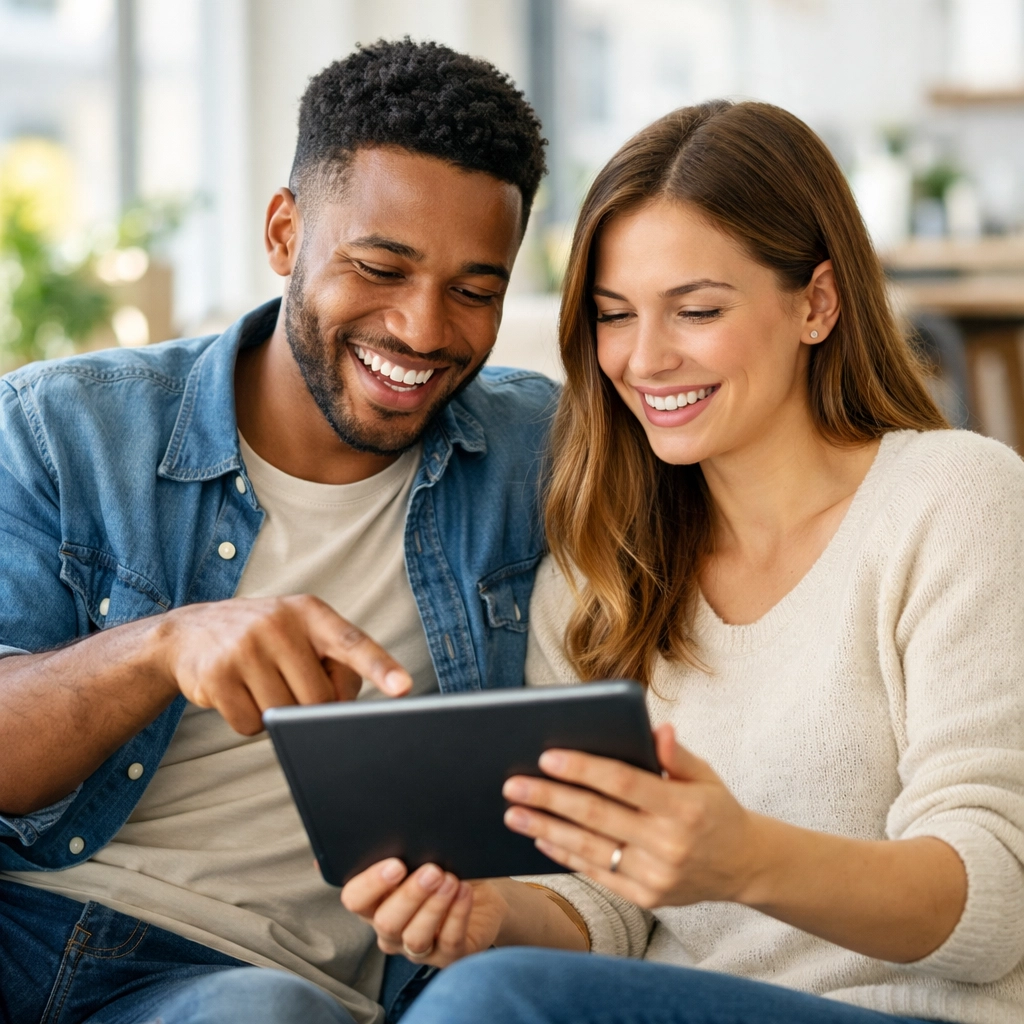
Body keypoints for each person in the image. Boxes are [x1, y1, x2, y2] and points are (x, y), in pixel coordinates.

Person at [343, 100, 1024, 1024]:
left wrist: (743, 857)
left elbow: (998, 902)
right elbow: (603, 902)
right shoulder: (599, 570)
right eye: (614, 316)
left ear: (816, 303)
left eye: (696, 310)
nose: (647, 359)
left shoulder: (953, 500)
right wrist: (486, 912)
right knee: (472, 983)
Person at [0, 39, 555, 1024]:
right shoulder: (62, 427)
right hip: (32, 919)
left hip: (262, 987)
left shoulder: (533, 458)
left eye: (475, 291)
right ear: (284, 232)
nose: (425, 329)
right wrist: (166, 644)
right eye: (380, 267)